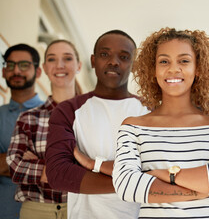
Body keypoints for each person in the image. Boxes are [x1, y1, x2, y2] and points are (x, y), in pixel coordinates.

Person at [111, 28, 209, 218]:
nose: (173, 69)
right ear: (153, 69)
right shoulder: (133, 127)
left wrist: (162, 174)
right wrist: (201, 189)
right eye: (164, 61)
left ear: (198, 69)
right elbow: (127, 186)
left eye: (184, 61)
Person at [45, 30, 149, 219]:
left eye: (124, 57)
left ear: (134, 65)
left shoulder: (151, 111)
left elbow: (158, 167)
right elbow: (58, 173)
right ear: (93, 61)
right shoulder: (68, 110)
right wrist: (134, 182)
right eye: (104, 54)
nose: (113, 62)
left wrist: (92, 165)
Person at [6, 40, 82, 219]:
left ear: (78, 66)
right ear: (45, 68)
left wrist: (40, 166)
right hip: (36, 211)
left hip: (81, 209)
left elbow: (100, 167)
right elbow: (15, 166)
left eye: (67, 58)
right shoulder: (28, 118)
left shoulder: (93, 116)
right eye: (52, 59)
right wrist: (76, 165)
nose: (59, 65)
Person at [0, 44, 43, 219]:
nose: (16, 70)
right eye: (10, 65)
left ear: (38, 72)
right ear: (3, 72)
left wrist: (6, 159)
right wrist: (35, 164)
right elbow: (44, 168)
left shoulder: (56, 114)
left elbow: (59, 169)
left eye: (24, 65)